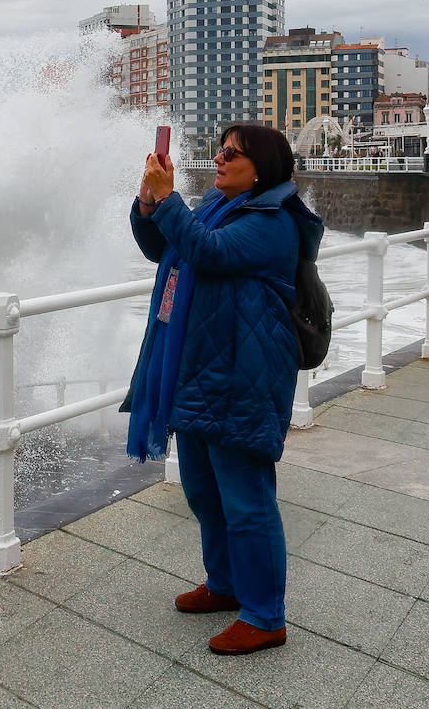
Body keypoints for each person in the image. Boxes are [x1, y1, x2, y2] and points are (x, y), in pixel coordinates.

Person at [126, 122, 323, 656]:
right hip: (200, 366)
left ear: (260, 167)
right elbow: (162, 247)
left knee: (246, 499)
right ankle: (225, 584)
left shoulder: (273, 221)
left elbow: (206, 251)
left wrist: (169, 202)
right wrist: (150, 204)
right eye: (220, 149)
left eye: (231, 153)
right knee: (203, 490)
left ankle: (265, 616)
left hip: (243, 374)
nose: (218, 158)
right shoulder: (217, 204)